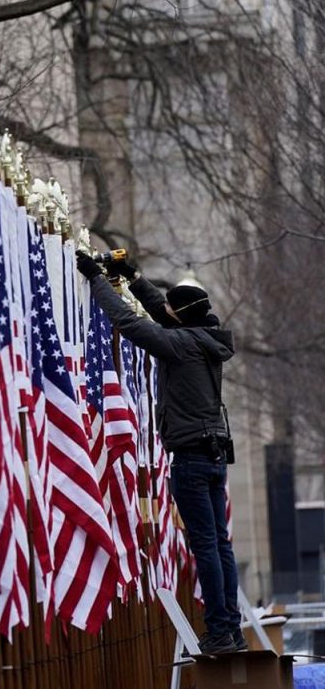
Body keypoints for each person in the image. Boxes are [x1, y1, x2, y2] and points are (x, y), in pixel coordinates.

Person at [76, 250, 245, 655]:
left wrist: (97, 279)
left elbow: (132, 324)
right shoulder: (206, 336)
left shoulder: (182, 345)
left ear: (182, 315)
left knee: (205, 545)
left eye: (172, 307)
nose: (166, 310)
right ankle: (231, 629)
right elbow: (166, 314)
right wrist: (132, 277)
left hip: (189, 456)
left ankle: (219, 631)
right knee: (219, 545)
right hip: (214, 454)